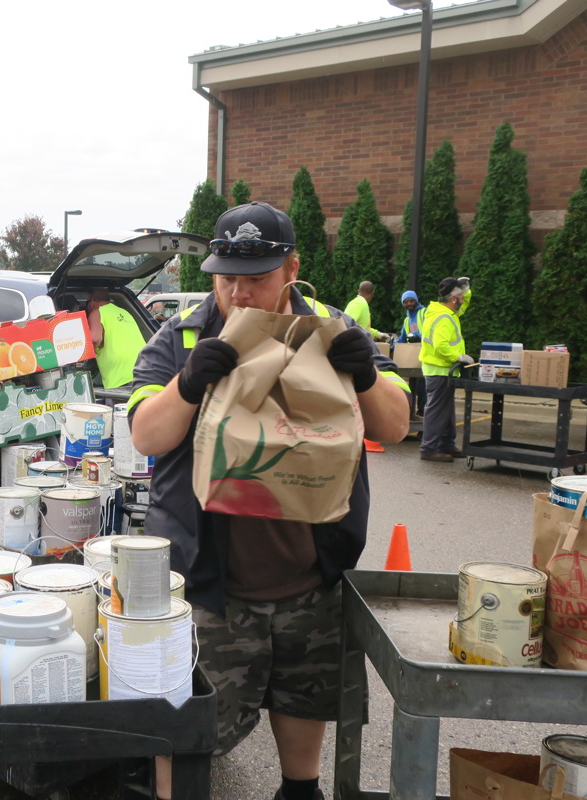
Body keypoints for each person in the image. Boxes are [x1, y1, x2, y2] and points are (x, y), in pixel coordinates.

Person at [127, 202, 410, 800]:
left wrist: (365, 375)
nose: (239, 291)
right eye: (226, 276)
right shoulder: (181, 336)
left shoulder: (332, 329)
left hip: (310, 574)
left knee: (303, 694)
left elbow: (397, 425)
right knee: (186, 723)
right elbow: (146, 435)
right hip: (210, 582)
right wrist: (188, 381)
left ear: (291, 269)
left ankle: (299, 789)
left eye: (256, 277)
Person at [419, 277, 474, 463]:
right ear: (453, 299)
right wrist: (458, 357)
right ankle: (429, 448)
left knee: (446, 410)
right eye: (459, 298)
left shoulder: (444, 312)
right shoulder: (444, 318)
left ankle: (446, 444)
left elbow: (463, 306)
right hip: (439, 370)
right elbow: (440, 346)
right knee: (436, 411)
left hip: (441, 370)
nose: (461, 301)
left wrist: (466, 291)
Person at [86, 288, 147, 389]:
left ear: (92, 302)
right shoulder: (125, 312)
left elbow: (95, 339)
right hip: (144, 368)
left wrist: (87, 357)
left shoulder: (97, 312)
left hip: (119, 376)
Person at [395, 290, 428, 418]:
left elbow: (429, 331)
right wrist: (392, 345)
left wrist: (417, 336)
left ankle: (423, 412)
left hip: (426, 356)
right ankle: (414, 413)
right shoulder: (407, 320)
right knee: (415, 387)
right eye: (406, 302)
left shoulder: (424, 313)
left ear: (416, 300)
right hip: (414, 358)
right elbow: (403, 338)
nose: (409, 303)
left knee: (423, 387)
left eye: (411, 300)